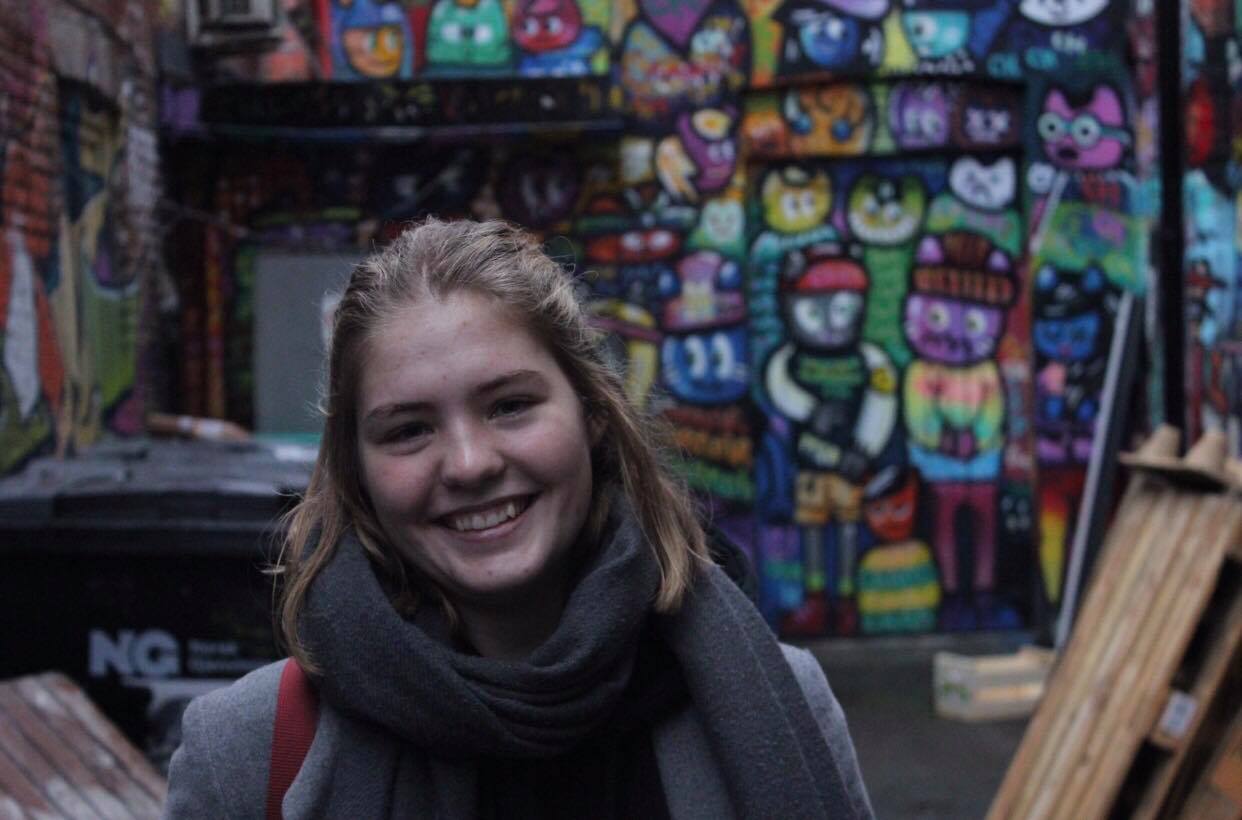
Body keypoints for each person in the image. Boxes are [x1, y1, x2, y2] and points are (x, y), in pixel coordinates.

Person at [163, 218, 873, 819]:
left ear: (594, 413)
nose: (469, 463)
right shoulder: (248, 755)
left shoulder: (780, 705)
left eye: (510, 406)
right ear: (357, 472)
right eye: (408, 430)